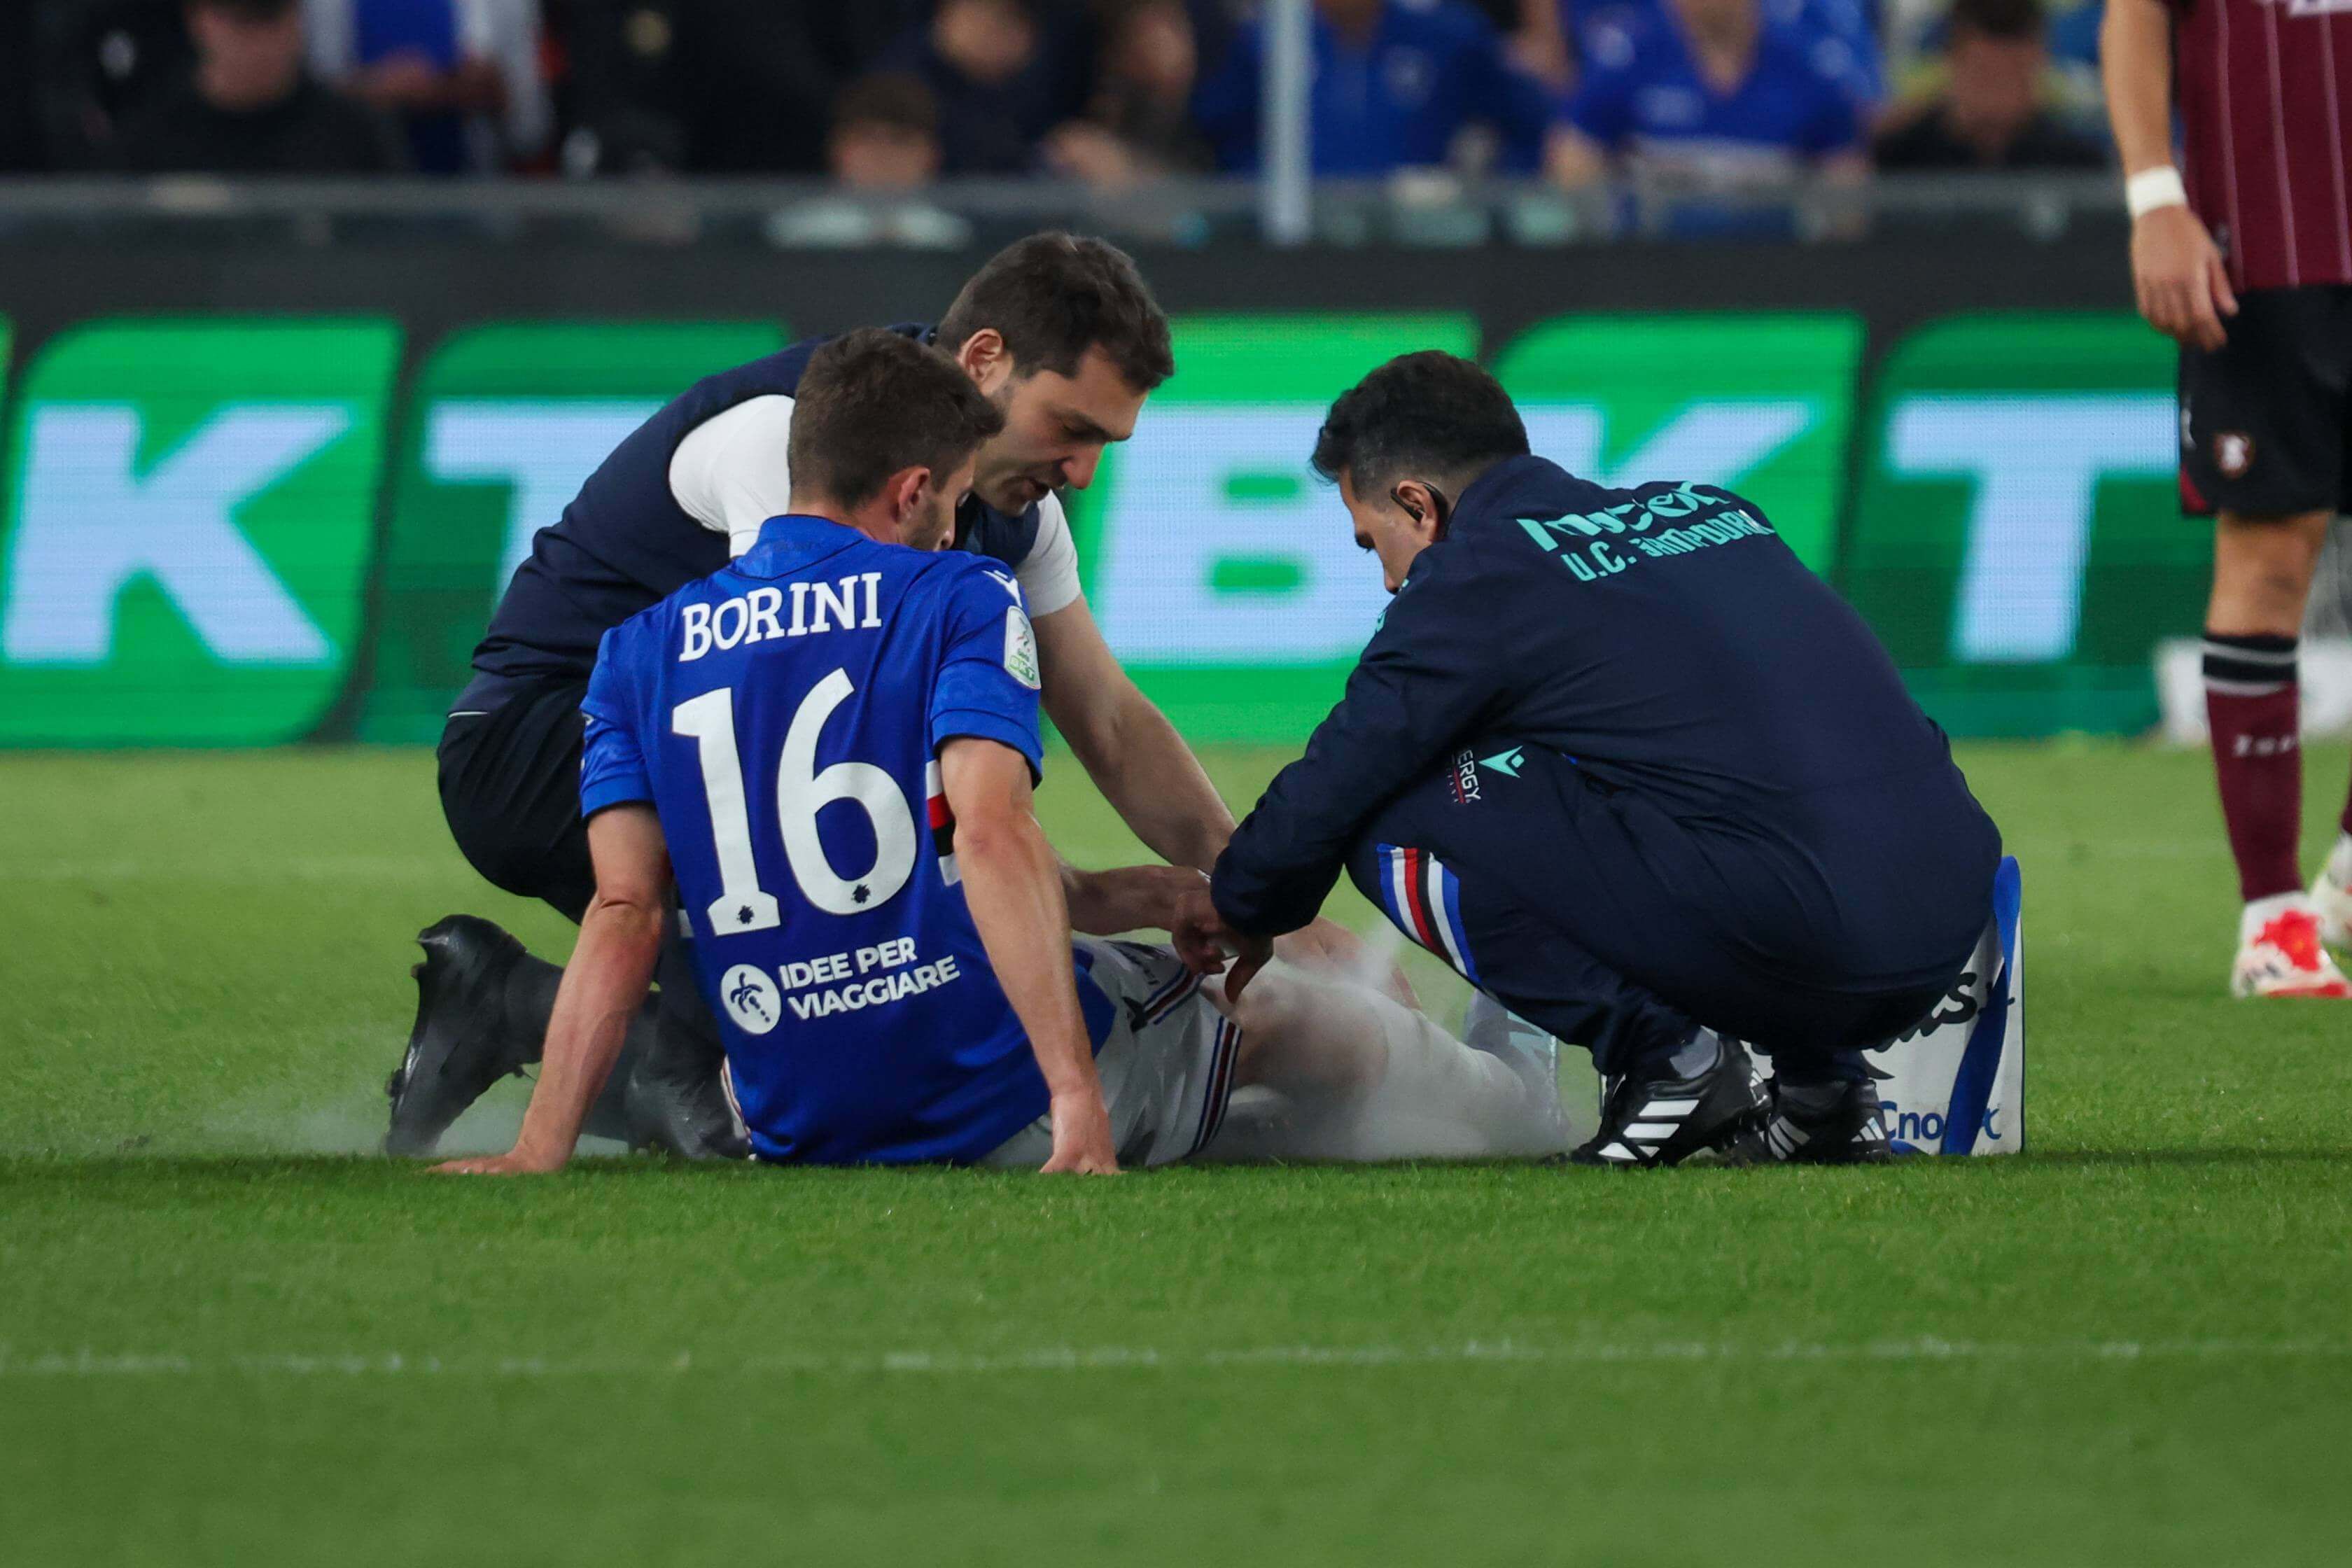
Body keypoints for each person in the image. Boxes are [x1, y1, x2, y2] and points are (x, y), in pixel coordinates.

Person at [433, 332, 1560, 1177]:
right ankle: (1515, 1095)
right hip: (983, 1091)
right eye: (958, 496)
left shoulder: (639, 648)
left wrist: (539, 1150)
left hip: (795, 1118)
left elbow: (627, 911)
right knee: (1312, 1028)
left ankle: (592, 1055)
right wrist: (1074, 1099)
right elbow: (985, 838)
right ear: (915, 488)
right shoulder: (957, 595)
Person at [1177, 352, 2004, 1168]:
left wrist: (1244, 900)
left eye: (1373, 544)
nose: (1390, 582)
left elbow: (1345, 768)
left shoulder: (1482, 573)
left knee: (1384, 810)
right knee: (1711, 777)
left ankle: (1672, 1060)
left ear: (1417, 504)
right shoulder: (1712, 510)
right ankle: (1825, 1094)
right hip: (1950, 924)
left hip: (1814, 940)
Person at [2104, 0, 2352, 997]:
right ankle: (2275, 921)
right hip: (2267, 246)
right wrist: (2154, 197)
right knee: (2272, 556)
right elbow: (2135, 13)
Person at [1544, 0, 1867, 237]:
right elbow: (1574, 151)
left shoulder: (1807, 66)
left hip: (1774, 267)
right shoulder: (1630, 56)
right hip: (1653, 267)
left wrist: (1828, 255)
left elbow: (1845, 173)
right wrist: (1604, 242)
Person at [1191, 0, 1556, 177]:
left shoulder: (1445, 36)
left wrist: (1479, 195)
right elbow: (1215, 139)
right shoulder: (1265, 39)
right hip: (1293, 247)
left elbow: (1535, 124)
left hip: (1416, 248)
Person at [105, 0, 407, 174]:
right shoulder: (149, 142)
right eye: (241, 20)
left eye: (270, 17)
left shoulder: (357, 136)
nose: (259, 44)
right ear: (199, 20)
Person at [300, 0, 551, 174]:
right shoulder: (321, 8)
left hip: (474, 203)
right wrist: (377, 91)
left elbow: (531, 133)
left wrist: (490, 91)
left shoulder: (503, 7)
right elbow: (303, 107)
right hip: (354, 199)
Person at [1873, 0, 2105, 173]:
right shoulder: (1899, 156)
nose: (2000, 94)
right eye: (1986, 74)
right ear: (1953, 61)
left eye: (2014, 75)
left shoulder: (2077, 164)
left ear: (2038, 63)